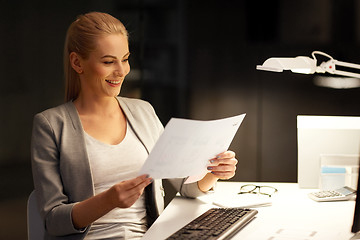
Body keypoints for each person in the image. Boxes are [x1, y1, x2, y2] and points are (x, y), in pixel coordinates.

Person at [31, 12, 238, 240]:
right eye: (109, 62)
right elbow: (53, 221)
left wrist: (213, 172)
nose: (121, 71)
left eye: (125, 58)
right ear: (77, 62)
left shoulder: (143, 112)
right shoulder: (50, 125)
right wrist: (108, 200)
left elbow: (185, 186)